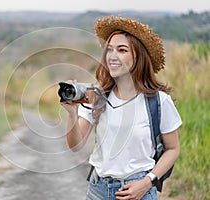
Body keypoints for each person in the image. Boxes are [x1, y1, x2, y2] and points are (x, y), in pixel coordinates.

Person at [60, 16, 182, 200]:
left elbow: (173, 149)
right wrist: (72, 113)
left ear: (138, 56)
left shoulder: (158, 101)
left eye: (122, 50)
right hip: (97, 190)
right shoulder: (96, 97)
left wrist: (148, 182)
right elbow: (75, 146)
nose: (112, 56)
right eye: (109, 50)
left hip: (138, 190)